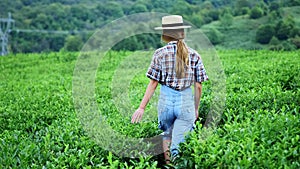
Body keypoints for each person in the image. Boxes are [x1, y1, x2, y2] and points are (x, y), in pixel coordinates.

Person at [131, 15, 208, 164]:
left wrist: (141, 108)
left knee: (167, 135)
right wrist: (196, 108)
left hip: (166, 102)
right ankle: (179, 163)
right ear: (182, 32)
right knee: (179, 142)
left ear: (165, 34)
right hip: (186, 102)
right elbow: (198, 85)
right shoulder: (194, 55)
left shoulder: (159, 54)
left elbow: (153, 84)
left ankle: (168, 165)